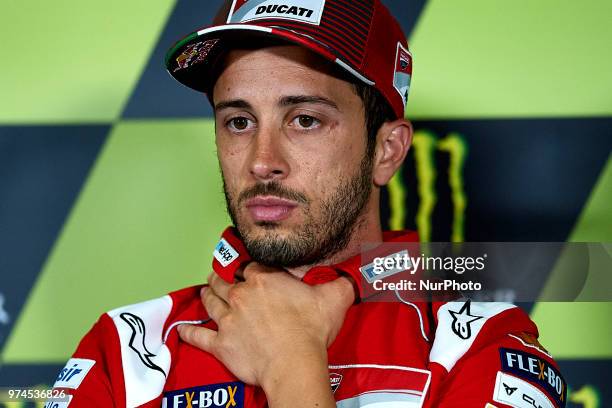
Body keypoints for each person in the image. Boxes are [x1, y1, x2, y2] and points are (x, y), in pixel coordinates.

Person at [49, 1, 566, 407]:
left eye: (305, 120)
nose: (261, 161)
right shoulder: (123, 349)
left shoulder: (482, 344)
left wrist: (292, 364)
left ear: (386, 152)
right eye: (239, 122)